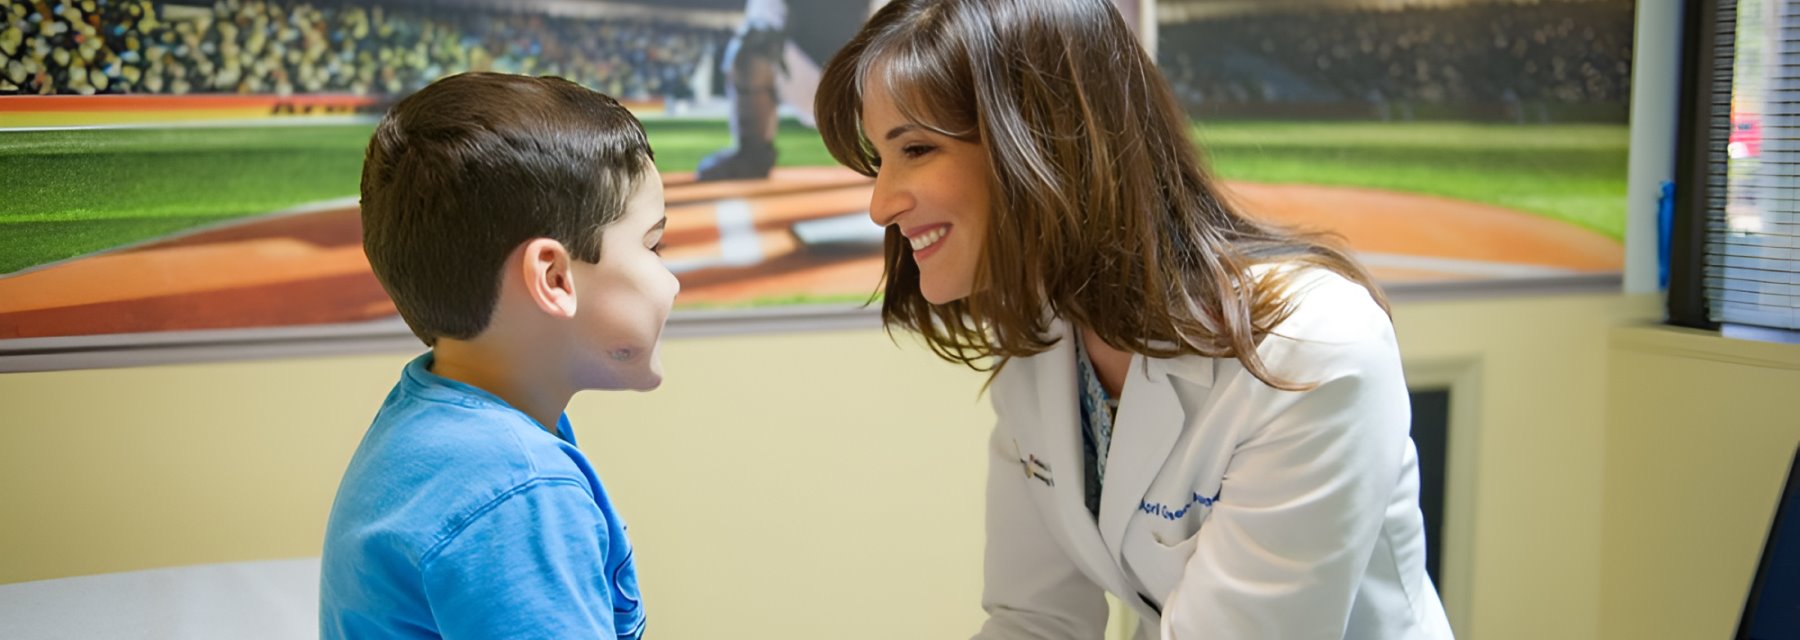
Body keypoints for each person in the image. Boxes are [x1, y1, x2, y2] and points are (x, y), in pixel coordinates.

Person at [814, 1, 1455, 638]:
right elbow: (1036, 621)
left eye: (917, 149)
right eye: (879, 159)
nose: (880, 206)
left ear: (1046, 138)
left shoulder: (1312, 347)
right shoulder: (1040, 346)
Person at [318, 72, 677, 639]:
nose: (672, 281)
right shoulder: (517, 488)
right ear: (554, 278)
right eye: (653, 245)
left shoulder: (432, 420)